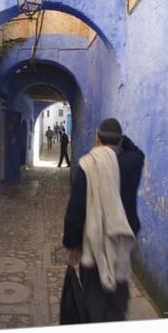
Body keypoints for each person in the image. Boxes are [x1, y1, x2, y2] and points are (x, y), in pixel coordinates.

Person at [62, 118, 145, 322]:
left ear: (98, 138)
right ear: (118, 140)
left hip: (94, 243)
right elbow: (136, 150)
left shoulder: (88, 164)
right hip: (121, 242)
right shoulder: (133, 162)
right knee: (117, 302)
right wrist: (118, 137)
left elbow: (76, 208)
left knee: (94, 300)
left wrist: (71, 244)